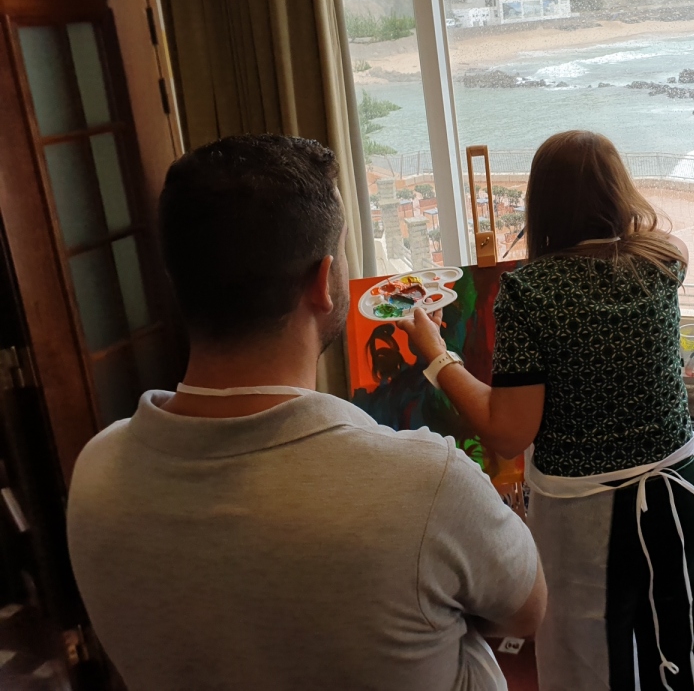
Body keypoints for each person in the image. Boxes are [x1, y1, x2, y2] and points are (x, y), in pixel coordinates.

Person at [67, 135, 545, 691]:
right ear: (323, 282)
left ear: (178, 279)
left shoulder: (96, 473)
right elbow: (526, 610)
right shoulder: (426, 484)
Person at [397, 130, 694, 691]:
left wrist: (437, 355)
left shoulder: (530, 293)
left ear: (542, 203)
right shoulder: (664, 261)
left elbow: (508, 432)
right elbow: (646, 233)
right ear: (620, 192)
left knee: (592, 659)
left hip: (583, 510)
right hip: (677, 491)